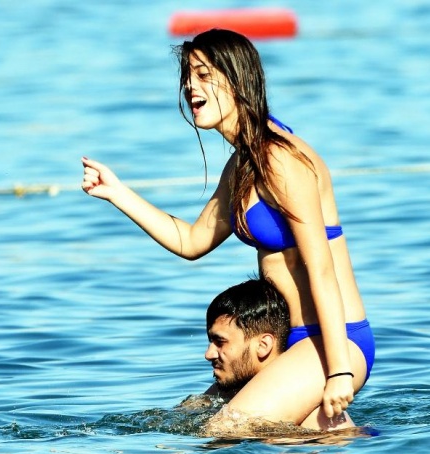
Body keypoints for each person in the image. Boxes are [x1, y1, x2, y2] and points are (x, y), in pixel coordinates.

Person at [81, 28, 375, 426]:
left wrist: (338, 370)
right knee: (186, 418)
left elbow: (321, 269)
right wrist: (118, 193)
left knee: (225, 427)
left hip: (333, 339)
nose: (190, 86)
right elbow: (192, 241)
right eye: (187, 76)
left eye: (203, 75)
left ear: (237, 80)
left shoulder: (281, 159)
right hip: (286, 343)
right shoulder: (241, 166)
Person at [202, 278, 354, 431]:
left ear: (263, 345)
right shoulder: (232, 388)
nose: (208, 354)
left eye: (220, 342)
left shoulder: (319, 419)